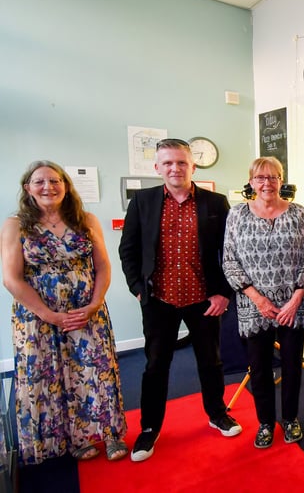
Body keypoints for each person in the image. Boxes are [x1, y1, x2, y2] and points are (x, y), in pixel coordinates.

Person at [119, 138, 241, 462]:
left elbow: (229, 252)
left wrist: (224, 292)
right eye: (168, 163)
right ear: (157, 167)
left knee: (211, 362)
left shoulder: (215, 202)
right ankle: (149, 428)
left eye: (181, 163)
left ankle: (217, 413)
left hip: (204, 299)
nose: (175, 168)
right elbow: (128, 250)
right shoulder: (142, 201)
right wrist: (137, 287)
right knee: (156, 365)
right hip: (159, 299)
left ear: (192, 166)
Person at [1, 161, 127, 464]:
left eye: (55, 181)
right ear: (28, 188)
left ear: (66, 186)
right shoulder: (16, 225)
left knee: (95, 370)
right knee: (51, 375)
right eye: (40, 182)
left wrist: (95, 304)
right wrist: (49, 315)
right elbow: (11, 278)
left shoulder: (86, 220)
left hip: (87, 310)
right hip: (38, 317)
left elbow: (104, 266)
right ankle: (73, 439)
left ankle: (109, 433)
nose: (48, 187)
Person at [222, 156, 304, 449]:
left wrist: (297, 296)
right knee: (259, 368)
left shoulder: (299, 213)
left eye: (273, 177)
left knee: (291, 365)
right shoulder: (236, 214)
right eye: (261, 177)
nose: (267, 183)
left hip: (292, 305)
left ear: (281, 181)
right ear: (251, 182)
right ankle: (264, 423)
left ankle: (290, 419)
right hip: (253, 305)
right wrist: (258, 299)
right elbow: (230, 261)